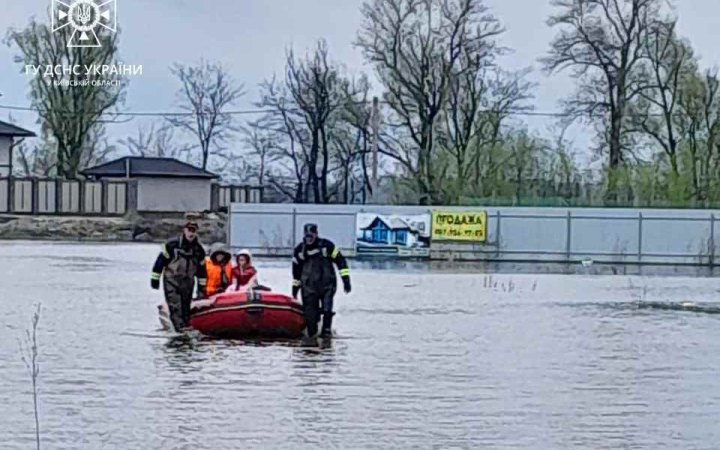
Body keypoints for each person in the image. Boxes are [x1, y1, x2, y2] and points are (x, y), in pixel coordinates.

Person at [292, 223, 351, 338]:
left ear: (316, 234)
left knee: (327, 311)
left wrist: (346, 281)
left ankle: (327, 333)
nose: (309, 238)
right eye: (307, 236)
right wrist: (294, 291)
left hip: (327, 285)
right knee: (310, 317)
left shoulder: (327, 246)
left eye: (311, 235)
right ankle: (312, 341)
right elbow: (296, 273)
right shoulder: (299, 250)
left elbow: (341, 261)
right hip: (308, 288)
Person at [151, 221, 207, 332]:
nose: (191, 233)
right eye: (189, 230)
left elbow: (202, 272)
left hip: (188, 283)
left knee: (186, 309)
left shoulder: (199, 250)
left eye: (193, 231)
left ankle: (185, 328)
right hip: (172, 281)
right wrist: (155, 279)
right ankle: (180, 331)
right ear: (184, 230)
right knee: (176, 307)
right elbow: (160, 262)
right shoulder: (171, 245)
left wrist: (201, 290)